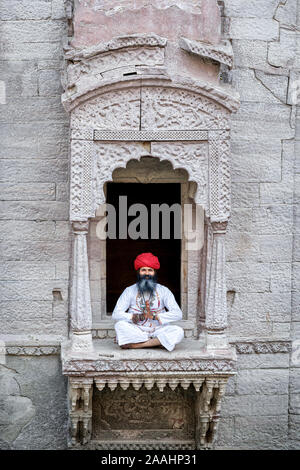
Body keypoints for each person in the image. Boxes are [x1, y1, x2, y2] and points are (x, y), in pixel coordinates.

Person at [112, 252, 184, 351]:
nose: (147, 273)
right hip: (137, 328)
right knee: (120, 325)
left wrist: (155, 316)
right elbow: (116, 314)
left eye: (150, 270)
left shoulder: (164, 290)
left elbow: (178, 314)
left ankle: (137, 345)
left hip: (158, 329)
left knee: (178, 331)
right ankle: (156, 342)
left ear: (154, 273)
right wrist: (134, 317)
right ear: (138, 272)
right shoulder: (129, 290)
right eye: (143, 270)